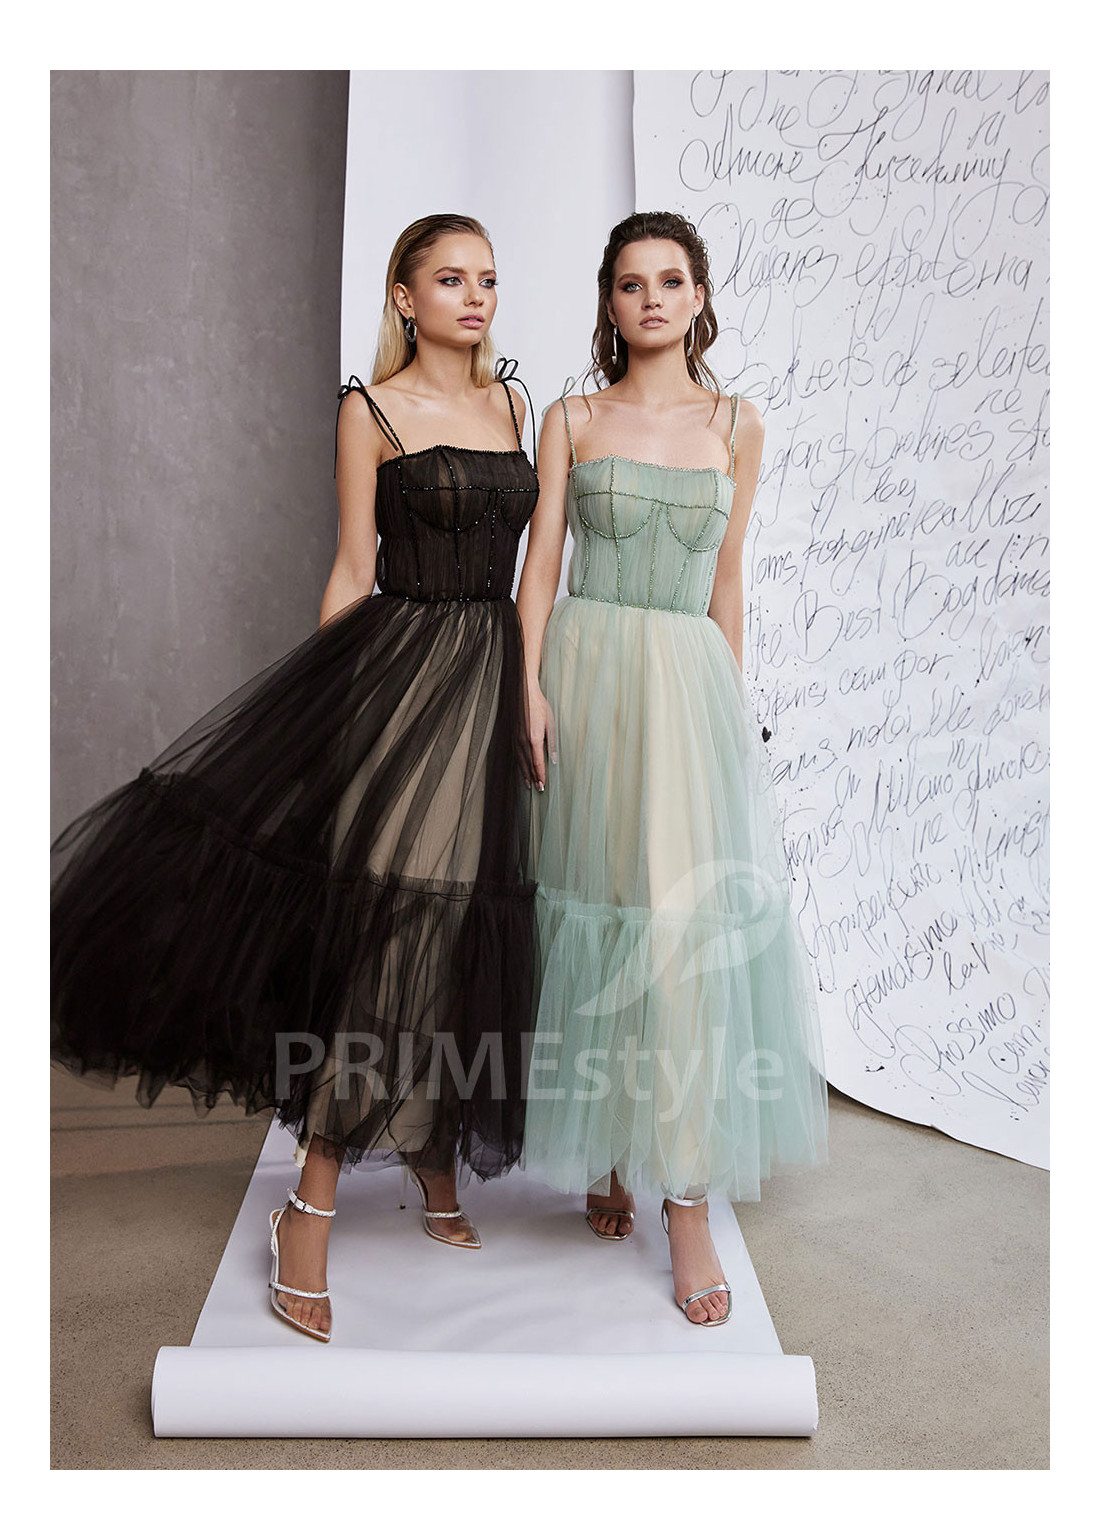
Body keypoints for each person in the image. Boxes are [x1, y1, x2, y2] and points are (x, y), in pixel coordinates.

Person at [51, 213, 540, 1343]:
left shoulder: (517, 406)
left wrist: (529, 687)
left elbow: (528, 580)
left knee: (462, 928)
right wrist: (330, 718)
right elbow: (353, 569)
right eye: (451, 279)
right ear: (405, 296)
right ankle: (308, 1205)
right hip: (399, 686)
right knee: (391, 934)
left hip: (489, 683)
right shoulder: (368, 410)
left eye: (487, 279)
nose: (476, 297)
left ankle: (430, 1151)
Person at [516, 211, 829, 1326]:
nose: (650, 298)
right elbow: (539, 567)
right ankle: (607, 1149)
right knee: (595, 910)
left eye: (670, 280)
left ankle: (685, 1200)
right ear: (608, 302)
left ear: (698, 296)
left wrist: (728, 709)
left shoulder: (738, 423)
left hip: (686, 683)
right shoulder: (571, 417)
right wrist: (528, 688)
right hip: (587, 674)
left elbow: (727, 577)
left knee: (681, 932)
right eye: (630, 283)